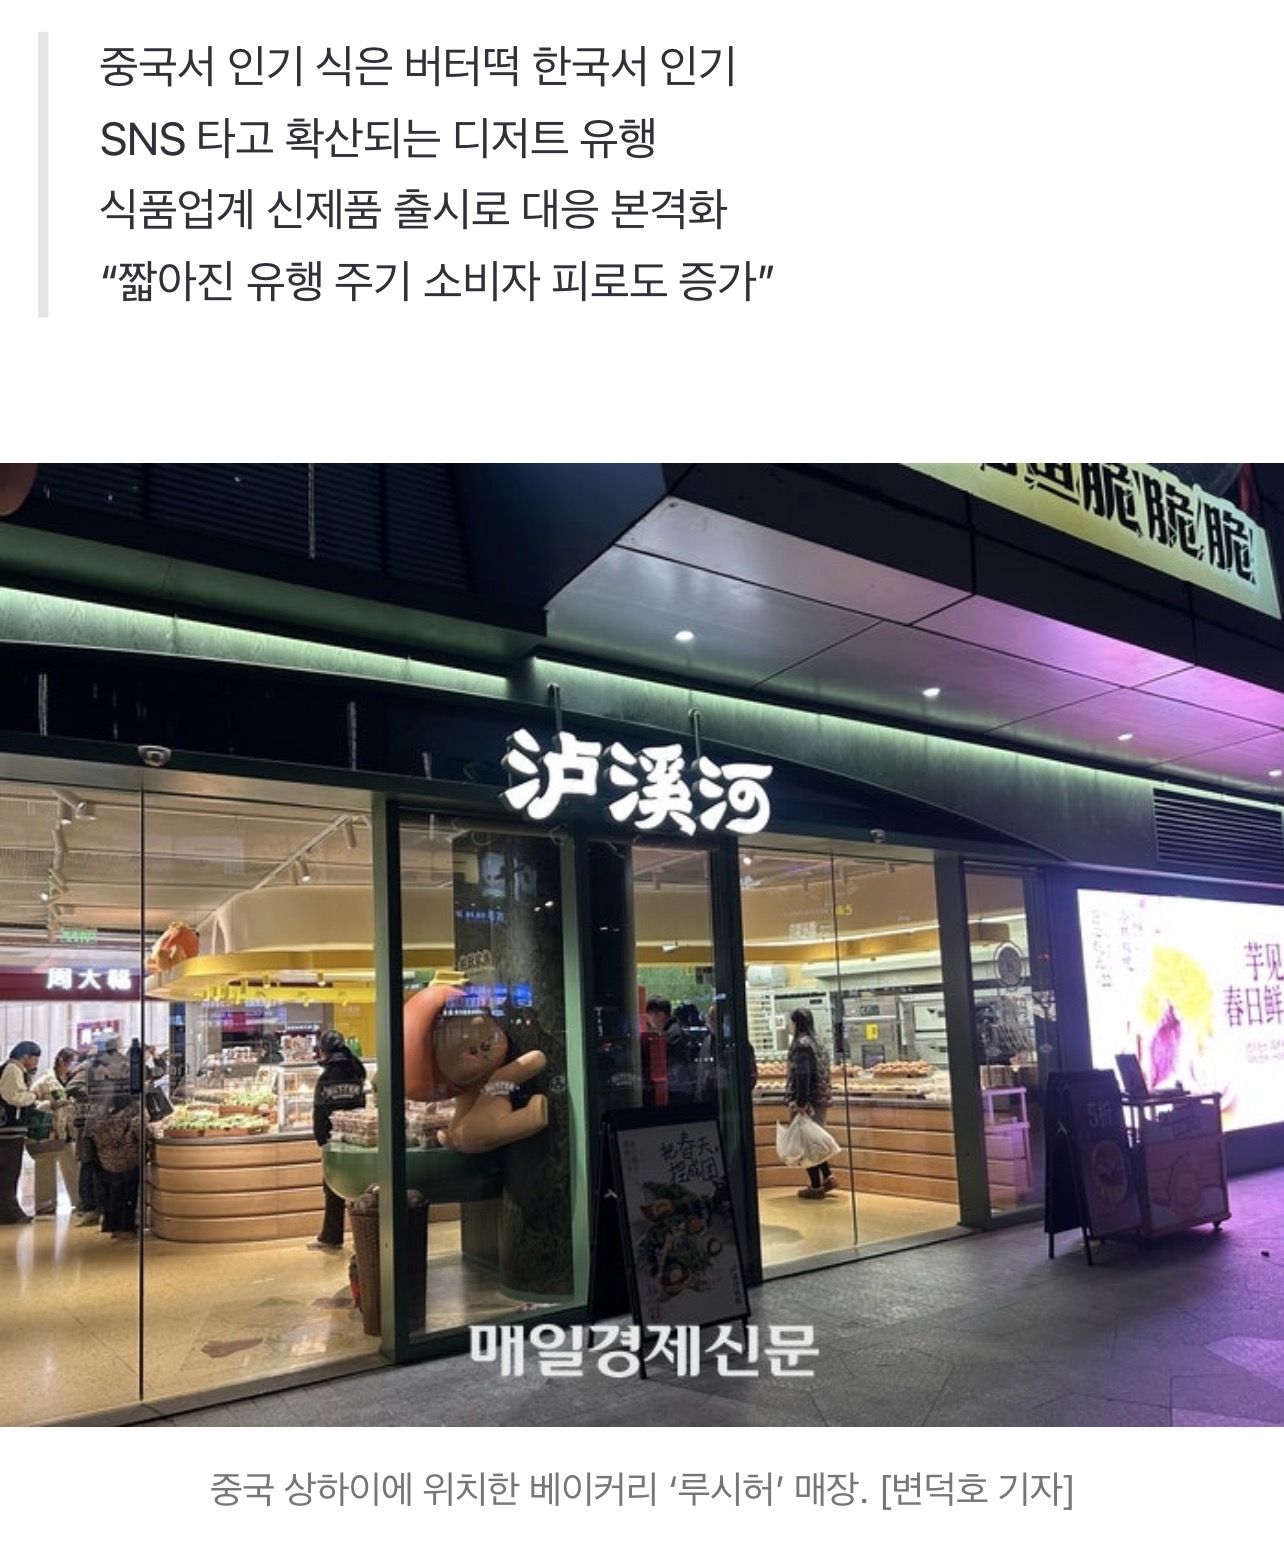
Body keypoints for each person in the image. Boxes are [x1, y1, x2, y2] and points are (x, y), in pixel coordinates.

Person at [309, 1030, 367, 1252]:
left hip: (335, 1140)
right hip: (359, 1136)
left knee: (333, 1186)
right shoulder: (356, 1070)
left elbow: (320, 1112)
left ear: (324, 1050)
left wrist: (321, 1140)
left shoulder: (327, 1076)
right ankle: (363, 1234)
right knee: (360, 1185)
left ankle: (331, 1237)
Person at [785, 1008, 837, 1199]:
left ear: (797, 1023)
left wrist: (801, 1101)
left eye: (792, 1022)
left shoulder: (801, 1045)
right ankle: (828, 1177)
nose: (790, 1026)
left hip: (808, 1101)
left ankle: (816, 1186)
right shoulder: (818, 1043)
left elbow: (803, 1074)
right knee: (813, 1141)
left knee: (806, 1144)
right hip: (821, 1099)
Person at [30, 1047, 79, 1216]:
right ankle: (45, 1204)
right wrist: (49, 1105)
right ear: (61, 1061)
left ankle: (78, 1200)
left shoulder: (74, 1081)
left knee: (73, 1164)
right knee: (45, 1167)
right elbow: (31, 1103)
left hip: (68, 1131)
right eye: (72, 1061)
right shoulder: (44, 1081)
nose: (74, 1066)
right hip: (50, 1131)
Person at [0, 1042, 43, 1223]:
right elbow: (13, 1096)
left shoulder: (12, 1069)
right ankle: (10, 1212)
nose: (36, 1063)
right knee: (9, 1172)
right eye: (35, 1058)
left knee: (6, 1172)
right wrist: (33, 1096)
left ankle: (7, 1211)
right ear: (25, 1056)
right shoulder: (12, 1069)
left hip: (8, 1129)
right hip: (9, 1129)